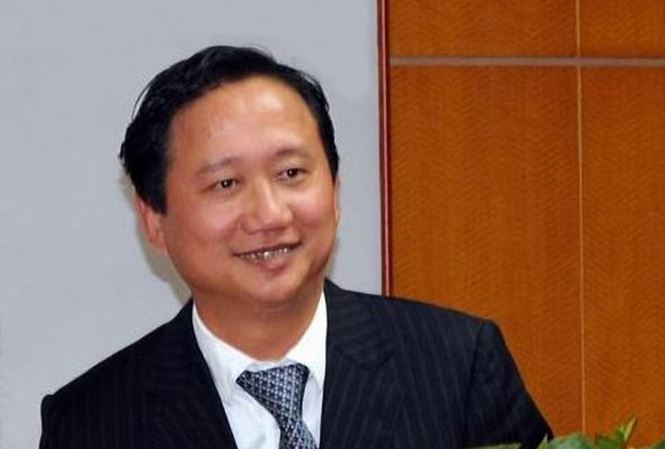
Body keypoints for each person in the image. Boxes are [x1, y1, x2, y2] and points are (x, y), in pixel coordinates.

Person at [39, 45, 551, 449]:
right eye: (226, 184)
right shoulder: (91, 422)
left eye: (291, 173)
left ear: (336, 189)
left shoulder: (457, 367)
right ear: (154, 220)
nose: (270, 215)